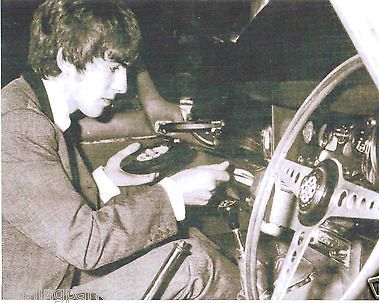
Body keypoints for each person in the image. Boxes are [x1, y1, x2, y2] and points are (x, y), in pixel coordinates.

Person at [1, 0, 241, 299]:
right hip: (35, 295)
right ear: (66, 59)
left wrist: (105, 181)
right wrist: (174, 194)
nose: (123, 85)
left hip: (51, 274)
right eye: (114, 68)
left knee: (188, 240)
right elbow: (86, 244)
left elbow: (48, 215)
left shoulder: (32, 105)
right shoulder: (19, 125)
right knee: (197, 266)